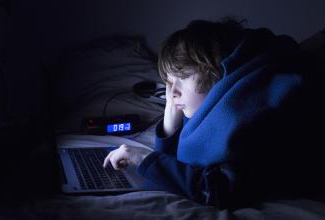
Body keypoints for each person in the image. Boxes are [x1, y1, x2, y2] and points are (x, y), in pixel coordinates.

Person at [103, 18, 319, 209]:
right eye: (169, 82)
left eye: (183, 77)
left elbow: (219, 190)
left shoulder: (251, 108)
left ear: (216, 72)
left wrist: (143, 158)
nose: (172, 93)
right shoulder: (208, 100)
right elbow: (175, 161)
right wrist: (170, 121)